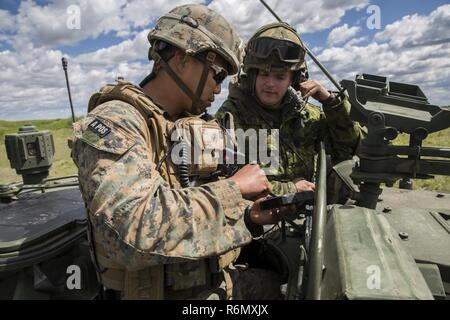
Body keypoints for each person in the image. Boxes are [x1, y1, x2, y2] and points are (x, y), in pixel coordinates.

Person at [70, 4, 284, 300]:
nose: (219, 90)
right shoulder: (116, 122)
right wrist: (235, 190)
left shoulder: (186, 125)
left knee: (287, 282)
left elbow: (193, 204)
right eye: (218, 75)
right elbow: (133, 230)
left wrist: (248, 216)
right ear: (183, 58)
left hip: (212, 283)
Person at [216, 22, 362, 197]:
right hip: (252, 218)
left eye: (280, 77)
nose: (270, 83)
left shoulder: (306, 116)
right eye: (263, 74)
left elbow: (348, 147)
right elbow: (224, 183)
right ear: (252, 76)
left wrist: (331, 102)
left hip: (307, 215)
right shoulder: (231, 116)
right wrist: (289, 190)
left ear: (294, 81)